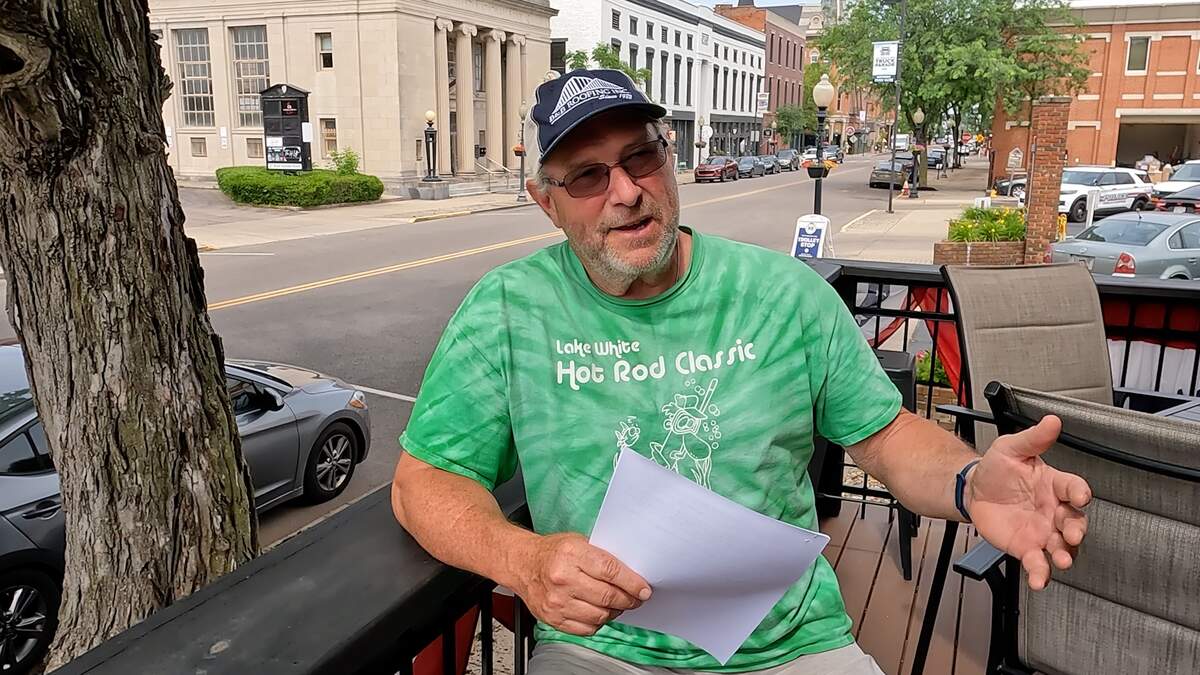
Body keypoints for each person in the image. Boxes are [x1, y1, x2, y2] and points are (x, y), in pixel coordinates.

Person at [391, 69, 1091, 675]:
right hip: (601, 650)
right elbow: (424, 481)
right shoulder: (509, 309)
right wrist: (522, 561)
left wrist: (970, 482)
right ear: (547, 202)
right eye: (587, 176)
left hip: (792, 644)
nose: (626, 191)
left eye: (641, 157)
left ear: (670, 159)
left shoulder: (783, 294)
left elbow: (887, 436)